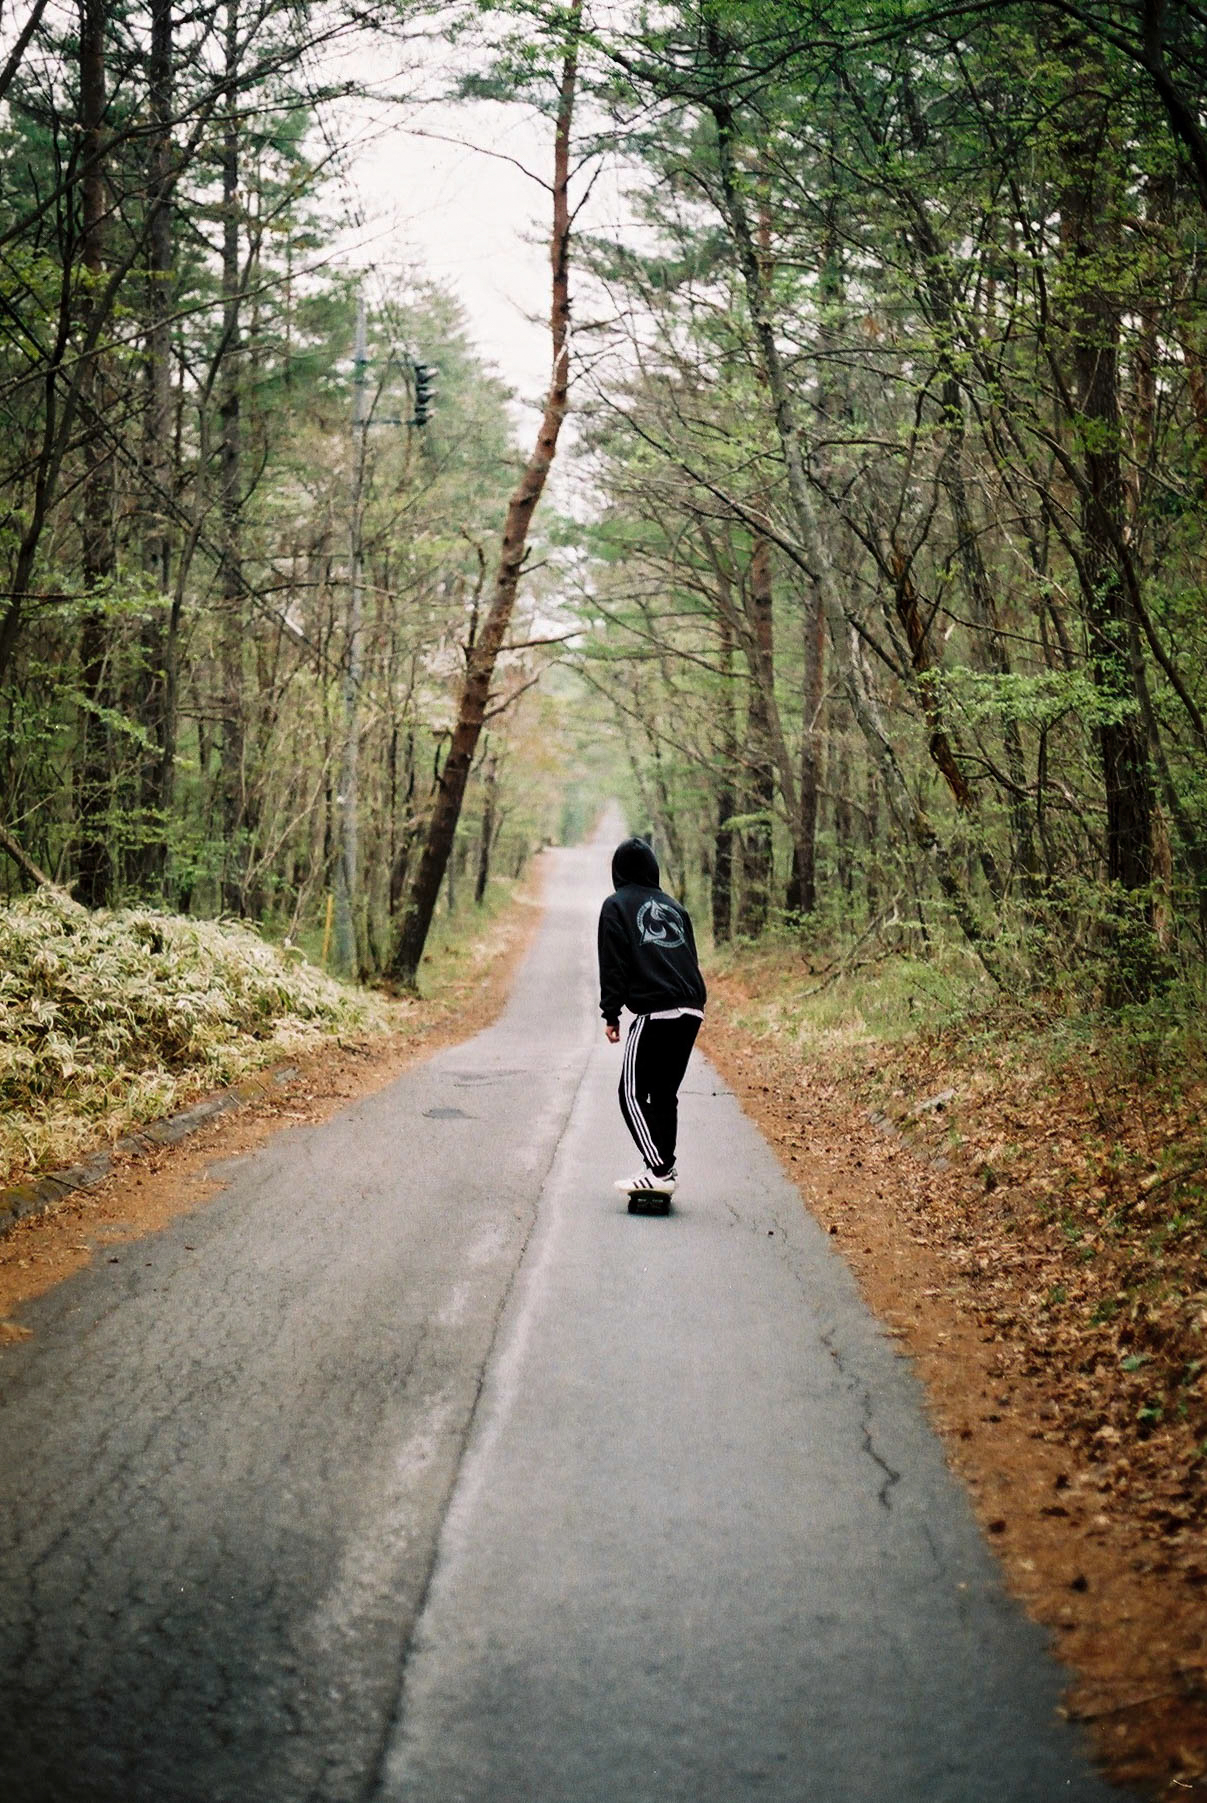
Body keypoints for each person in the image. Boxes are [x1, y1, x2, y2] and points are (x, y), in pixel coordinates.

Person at [598, 836, 706, 1197]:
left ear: (618, 872)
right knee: (663, 1095)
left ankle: (660, 1170)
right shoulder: (676, 907)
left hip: (657, 1010)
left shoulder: (616, 906)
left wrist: (611, 1013)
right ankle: (663, 1166)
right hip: (692, 1009)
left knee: (630, 1093)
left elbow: (613, 964)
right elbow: (688, 957)